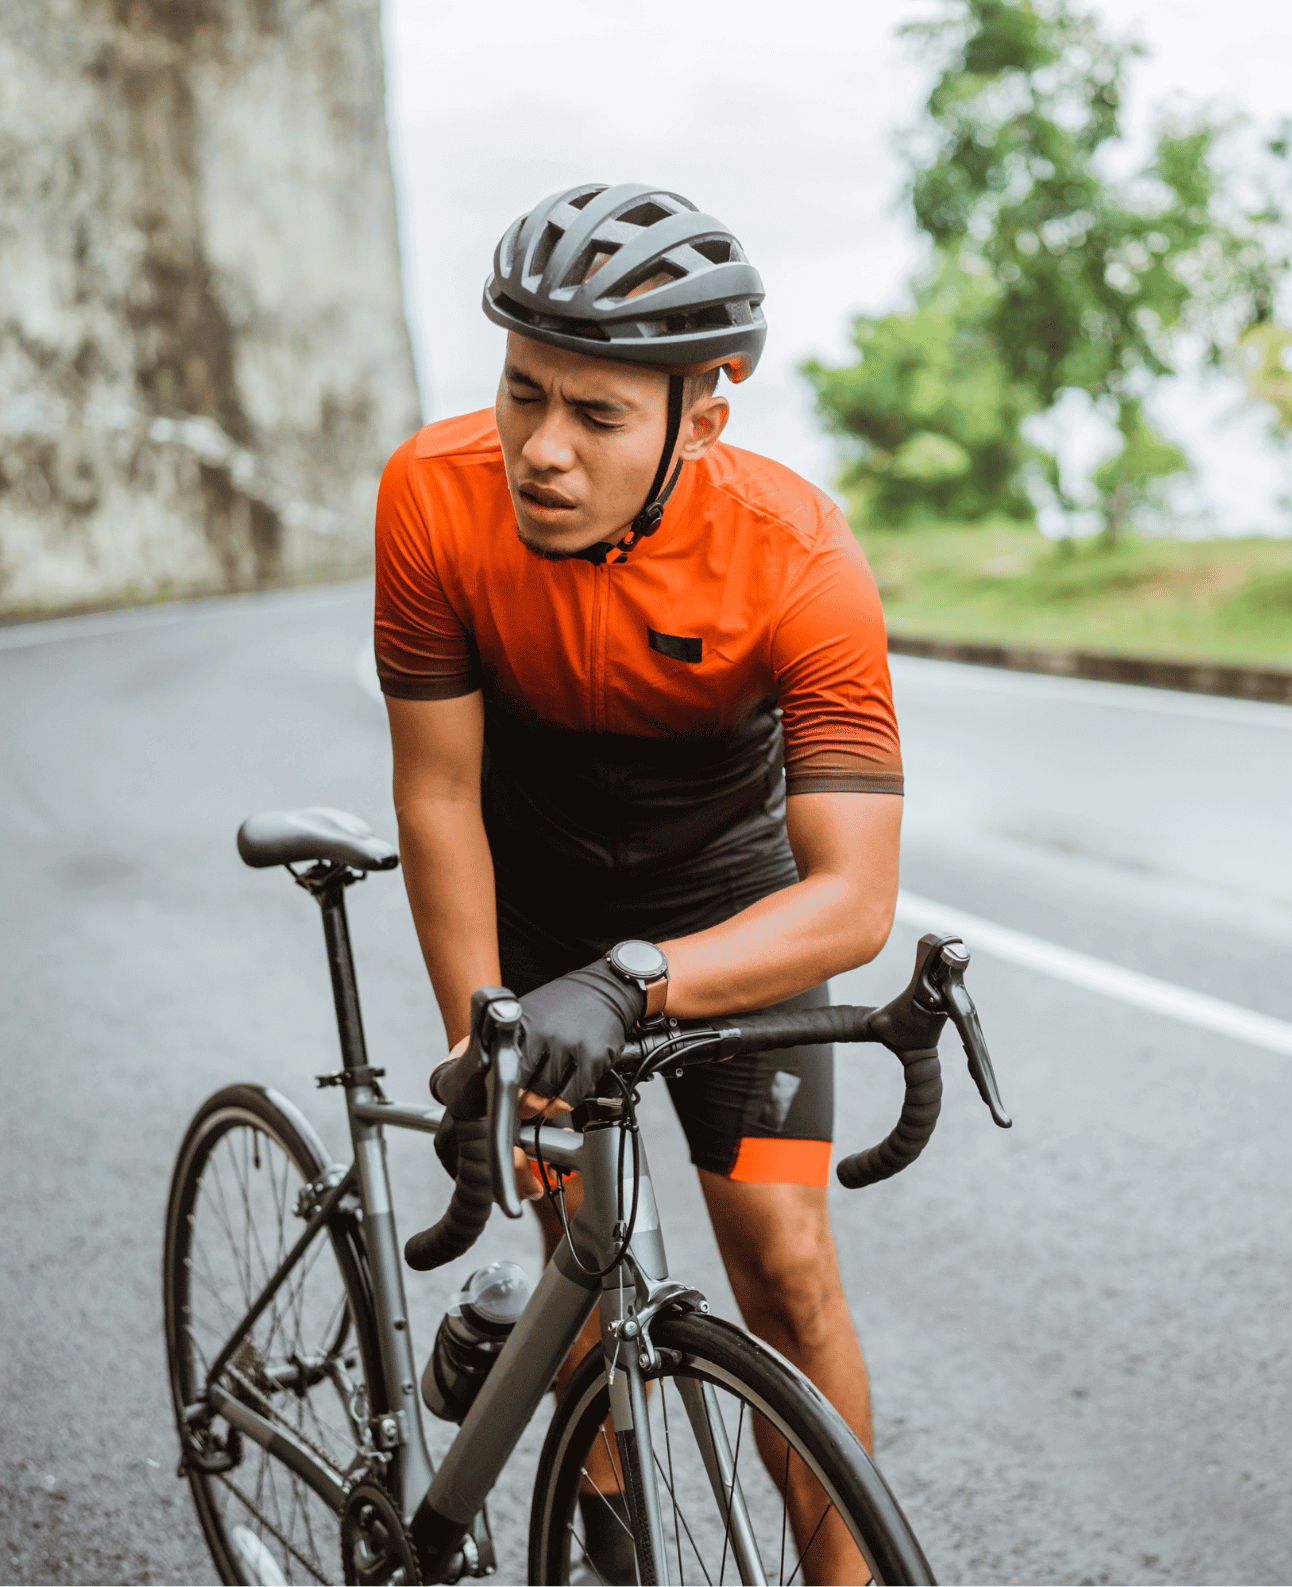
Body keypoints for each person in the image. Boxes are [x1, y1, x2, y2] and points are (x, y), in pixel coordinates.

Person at [372, 181, 904, 1584]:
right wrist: (477, 1035)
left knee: (784, 1262)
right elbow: (437, 790)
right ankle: (605, 1551)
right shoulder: (433, 497)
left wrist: (642, 977)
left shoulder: (798, 557)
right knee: (579, 1277)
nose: (542, 450)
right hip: (537, 885)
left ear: (703, 417)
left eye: (597, 416)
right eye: (521, 392)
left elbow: (852, 898)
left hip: (731, 896)